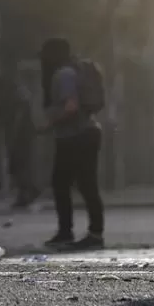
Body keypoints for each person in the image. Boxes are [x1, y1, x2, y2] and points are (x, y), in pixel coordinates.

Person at [40, 37, 105, 250]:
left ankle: (76, 233)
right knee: (80, 184)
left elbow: (71, 106)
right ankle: (82, 233)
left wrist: (48, 123)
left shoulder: (64, 74)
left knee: (71, 184)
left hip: (76, 136)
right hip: (84, 133)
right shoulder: (73, 70)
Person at [6, 77, 39, 209]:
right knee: (21, 168)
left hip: (22, 141)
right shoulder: (25, 105)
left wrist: (14, 139)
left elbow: (18, 125)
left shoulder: (22, 106)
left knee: (20, 168)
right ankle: (27, 193)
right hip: (24, 140)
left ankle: (28, 192)